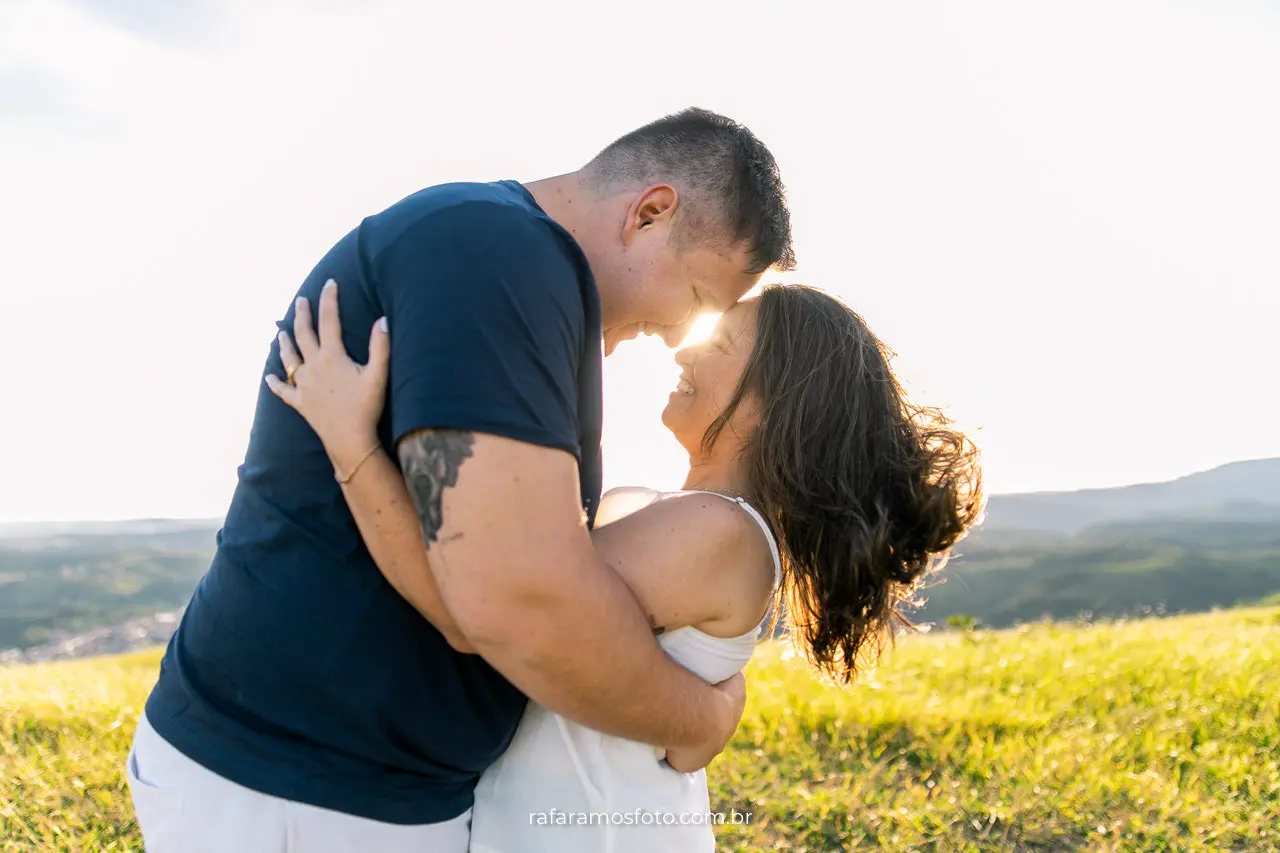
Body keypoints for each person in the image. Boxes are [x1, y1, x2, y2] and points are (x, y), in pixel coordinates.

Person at [125, 107, 795, 852]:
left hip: (355, 782)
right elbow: (508, 597)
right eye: (699, 301)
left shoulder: (519, 269)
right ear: (650, 212)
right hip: (300, 784)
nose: (677, 334)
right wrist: (698, 716)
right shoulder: (499, 261)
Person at [266, 280, 984, 852]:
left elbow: (479, 610)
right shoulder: (699, 520)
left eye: (723, 341)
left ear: (771, 405)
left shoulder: (717, 530)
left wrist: (350, 443)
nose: (685, 353)